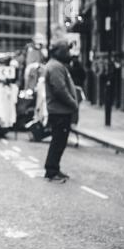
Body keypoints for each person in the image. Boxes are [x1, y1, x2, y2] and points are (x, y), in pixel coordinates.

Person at [44, 39, 79, 183]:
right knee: (58, 141)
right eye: (67, 50)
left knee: (59, 141)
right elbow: (60, 89)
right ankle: (51, 170)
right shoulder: (56, 67)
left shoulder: (57, 66)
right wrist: (73, 103)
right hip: (60, 111)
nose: (69, 53)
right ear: (59, 52)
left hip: (60, 110)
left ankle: (54, 169)